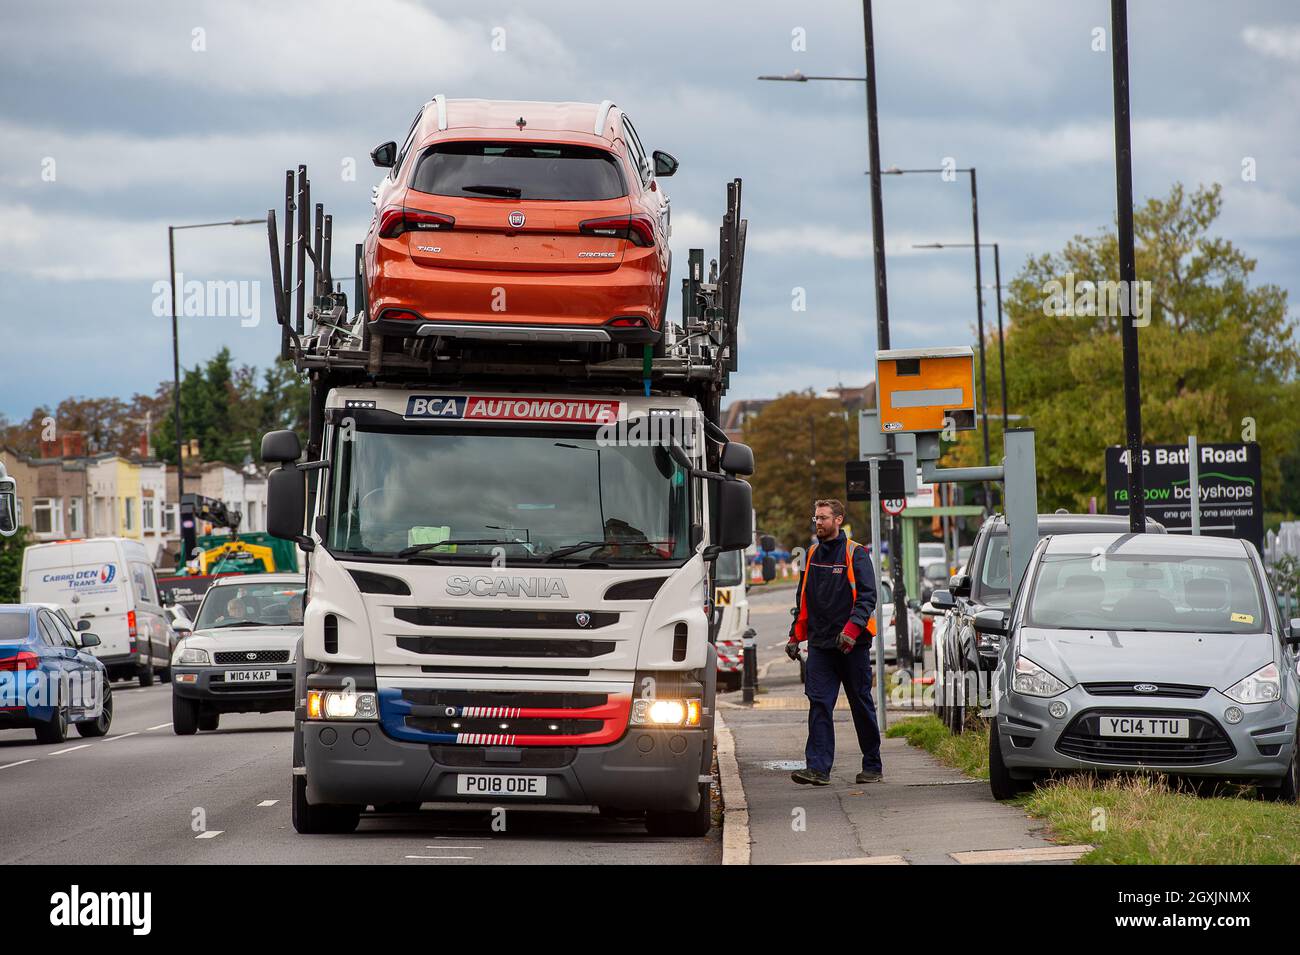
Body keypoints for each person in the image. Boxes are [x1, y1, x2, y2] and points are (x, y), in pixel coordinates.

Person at [785, 498, 883, 786]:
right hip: (820, 645)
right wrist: (795, 636)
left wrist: (852, 631)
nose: (818, 522)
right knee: (818, 703)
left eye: (824, 518)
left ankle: (873, 765)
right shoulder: (811, 554)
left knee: (860, 703)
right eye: (816, 517)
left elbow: (868, 596)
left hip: (852, 646)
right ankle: (817, 768)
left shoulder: (856, 554)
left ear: (838, 520)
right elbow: (802, 601)